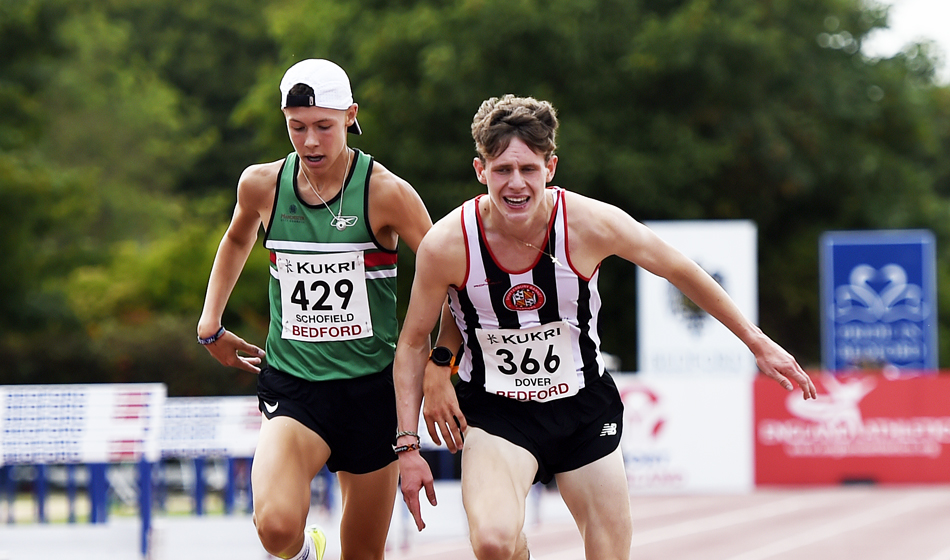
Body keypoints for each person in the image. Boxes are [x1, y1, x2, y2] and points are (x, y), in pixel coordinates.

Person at [393, 94, 817, 560]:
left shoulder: (590, 223)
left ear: (550, 167)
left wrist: (757, 342)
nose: (516, 184)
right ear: (480, 171)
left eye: (528, 169)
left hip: (582, 409)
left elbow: (677, 268)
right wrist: (409, 446)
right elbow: (413, 340)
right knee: (494, 543)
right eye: (502, 171)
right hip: (497, 413)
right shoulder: (447, 244)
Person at [196, 59, 437, 560]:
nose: (309, 142)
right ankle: (307, 552)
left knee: (363, 552)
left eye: (324, 127)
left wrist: (437, 364)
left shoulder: (386, 192)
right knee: (276, 528)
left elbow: (445, 272)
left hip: (372, 390)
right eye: (297, 127)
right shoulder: (262, 185)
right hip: (296, 385)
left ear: (350, 116)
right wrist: (210, 324)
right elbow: (238, 237)